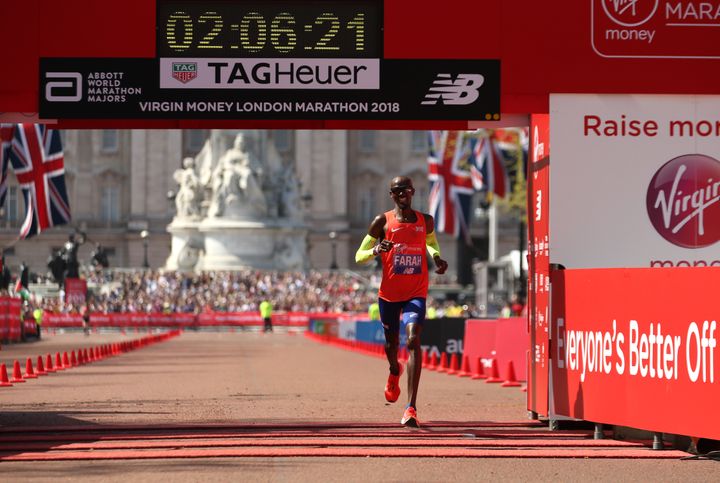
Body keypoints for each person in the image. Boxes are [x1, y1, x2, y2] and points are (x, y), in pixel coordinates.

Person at [355, 176, 448, 428]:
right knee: (392, 344)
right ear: (392, 195)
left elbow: (430, 242)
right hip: (389, 295)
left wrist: (437, 257)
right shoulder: (382, 222)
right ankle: (394, 370)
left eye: (407, 190)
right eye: (398, 191)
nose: (403, 194)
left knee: (412, 339)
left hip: (416, 292)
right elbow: (358, 255)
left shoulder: (424, 220)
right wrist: (377, 250)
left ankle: (411, 407)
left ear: (413, 192)